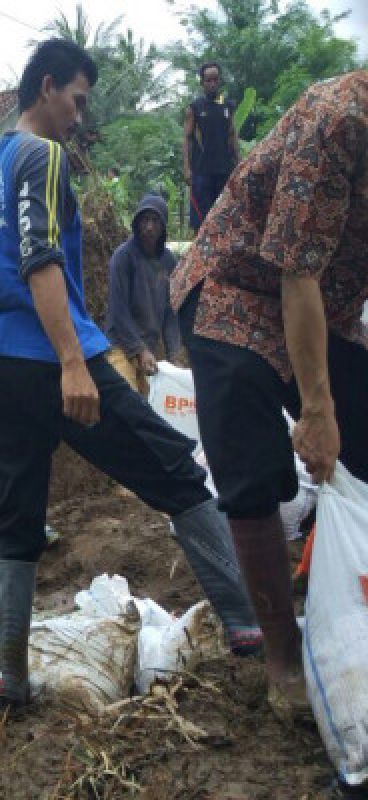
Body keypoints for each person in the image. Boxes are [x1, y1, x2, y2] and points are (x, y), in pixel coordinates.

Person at [0, 38, 262, 709]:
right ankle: (246, 625)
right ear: (46, 88)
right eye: (76, 98)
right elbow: (40, 260)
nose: (78, 114)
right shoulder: (42, 155)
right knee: (174, 470)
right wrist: (73, 362)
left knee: (14, 518)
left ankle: (13, 678)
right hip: (50, 353)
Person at [171, 71, 368, 719]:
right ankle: (283, 658)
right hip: (235, 290)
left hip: (325, 310)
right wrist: (316, 410)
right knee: (254, 468)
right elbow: (296, 271)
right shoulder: (337, 120)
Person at [104, 193, 181, 395]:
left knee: (155, 407)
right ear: (137, 222)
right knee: (126, 402)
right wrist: (139, 349)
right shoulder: (123, 257)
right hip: (121, 346)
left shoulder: (168, 261)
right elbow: (118, 310)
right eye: (145, 220)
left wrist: (174, 354)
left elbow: (171, 313)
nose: (149, 227)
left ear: (163, 225)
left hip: (150, 350)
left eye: (155, 220)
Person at [184, 62, 240, 232]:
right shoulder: (195, 107)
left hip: (224, 171)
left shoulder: (227, 105)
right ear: (202, 82)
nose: (212, 83)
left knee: (224, 218)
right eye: (208, 80)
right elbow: (186, 138)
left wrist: (239, 162)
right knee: (201, 221)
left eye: (215, 79)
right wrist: (186, 168)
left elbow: (232, 135)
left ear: (219, 81)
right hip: (202, 172)